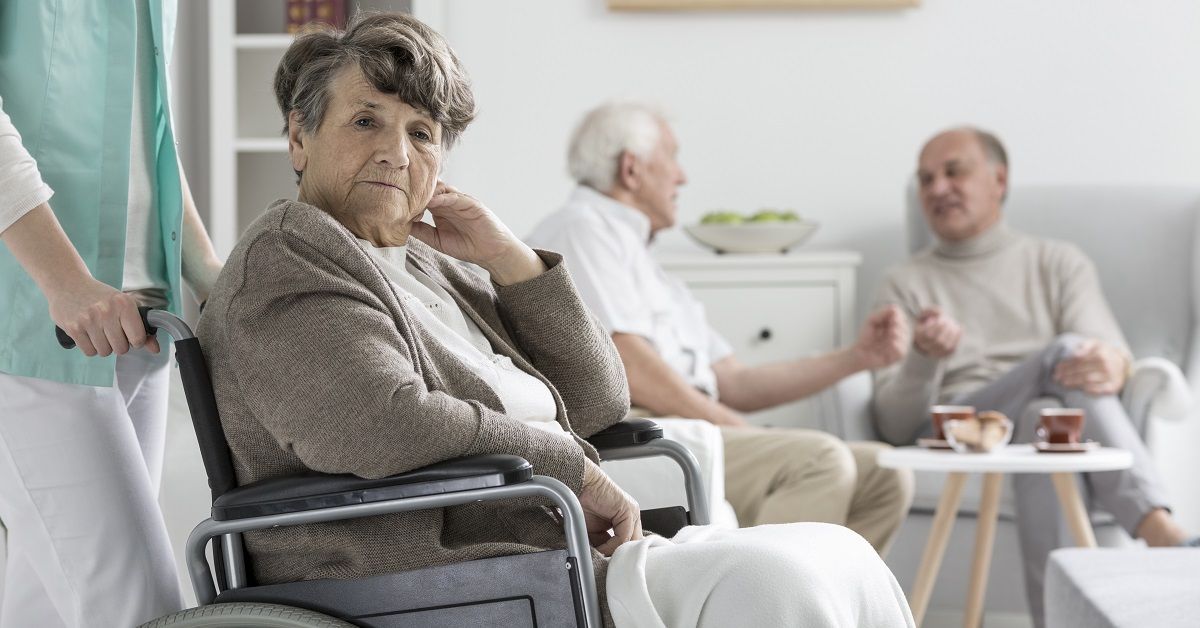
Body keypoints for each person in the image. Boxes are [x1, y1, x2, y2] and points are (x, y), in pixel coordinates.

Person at [196, 13, 915, 627]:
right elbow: (381, 421)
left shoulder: (430, 264)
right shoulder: (292, 256)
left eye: (423, 133)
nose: (396, 152)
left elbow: (600, 401)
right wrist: (570, 468)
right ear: (299, 136)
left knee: (836, 553)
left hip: (547, 549)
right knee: (775, 583)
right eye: (365, 121)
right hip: (433, 574)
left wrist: (511, 262)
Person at [525, 102, 914, 555]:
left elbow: (732, 380)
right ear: (631, 169)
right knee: (820, 462)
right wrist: (735, 426)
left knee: (885, 474)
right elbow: (629, 363)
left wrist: (859, 357)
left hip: (690, 428)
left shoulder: (648, 264)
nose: (682, 177)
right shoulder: (582, 230)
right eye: (672, 157)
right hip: (641, 436)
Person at [872, 126, 1197, 626]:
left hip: (1035, 421)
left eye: (953, 171)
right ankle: (1162, 531)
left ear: (998, 179)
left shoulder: (1056, 262)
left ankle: (1059, 619)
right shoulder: (906, 282)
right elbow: (896, 426)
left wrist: (1116, 364)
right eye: (926, 179)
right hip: (956, 428)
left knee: (1044, 415)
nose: (937, 189)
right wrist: (924, 357)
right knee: (1063, 355)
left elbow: (1106, 356)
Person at [0, 1, 223, 626]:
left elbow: (149, 128)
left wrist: (204, 270)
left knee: (48, 601)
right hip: (35, 322)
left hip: (138, 318)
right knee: (138, 607)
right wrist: (65, 280)